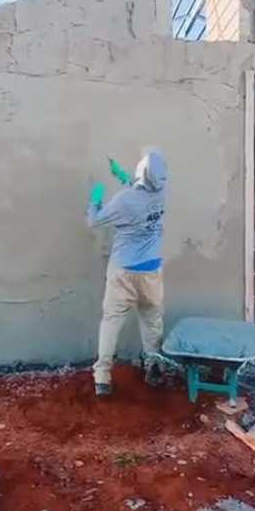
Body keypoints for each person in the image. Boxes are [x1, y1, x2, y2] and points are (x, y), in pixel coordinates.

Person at [87, 148, 167, 396]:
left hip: (123, 272)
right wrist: (122, 175)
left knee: (111, 321)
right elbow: (141, 189)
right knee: (152, 320)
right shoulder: (164, 191)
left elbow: (94, 221)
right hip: (151, 271)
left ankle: (102, 377)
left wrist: (95, 199)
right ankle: (153, 367)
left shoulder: (123, 201)